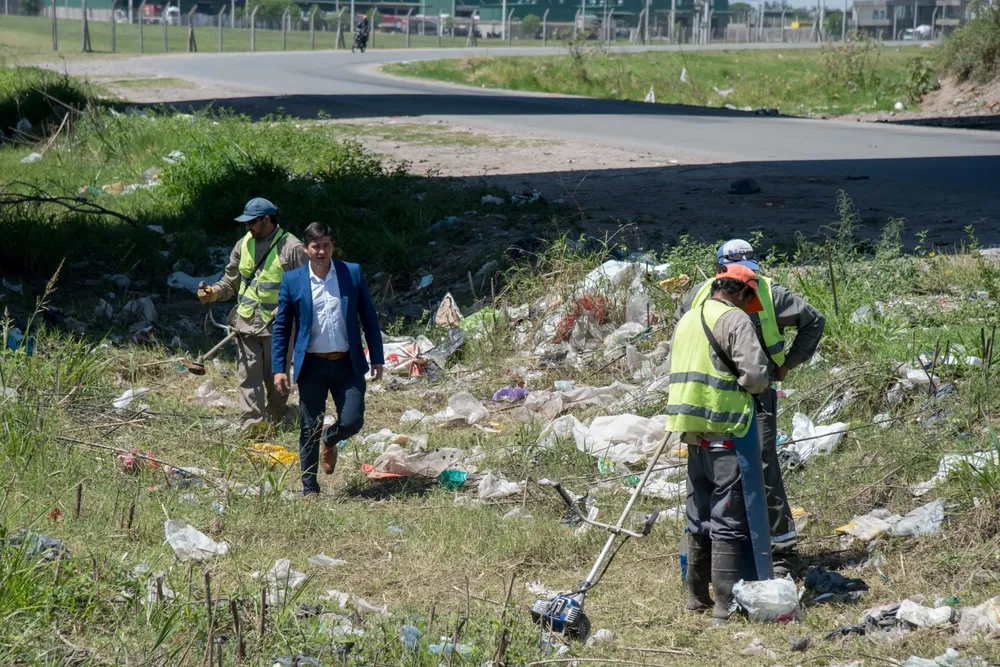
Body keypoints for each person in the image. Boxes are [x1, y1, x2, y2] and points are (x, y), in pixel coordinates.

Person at [674, 239, 825, 578]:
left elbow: (814, 321)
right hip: (709, 399)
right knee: (711, 476)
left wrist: (787, 364)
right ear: (719, 272)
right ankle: (719, 562)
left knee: (762, 467)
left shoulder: (771, 294)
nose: (746, 287)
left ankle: (781, 555)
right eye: (737, 276)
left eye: (749, 276)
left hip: (753, 399)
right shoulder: (696, 297)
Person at [667, 264, 771, 624]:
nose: (747, 306)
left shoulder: (688, 319)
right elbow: (755, 376)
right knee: (727, 517)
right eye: (748, 299)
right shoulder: (734, 320)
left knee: (698, 516)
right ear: (740, 292)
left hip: (692, 432)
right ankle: (724, 606)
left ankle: (695, 597)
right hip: (725, 428)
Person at [272, 222, 384, 498]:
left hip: (348, 362)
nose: (321, 252)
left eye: (326, 245)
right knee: (308, 426)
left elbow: (369, 317)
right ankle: (310, 487)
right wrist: (279, 368)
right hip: (312, 365)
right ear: (305, 249)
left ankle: (330, 438)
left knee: (353, 421)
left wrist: (377, 357)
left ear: (333, 246)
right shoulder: (293, 280)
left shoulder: (351, 273)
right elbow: (282, 328)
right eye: (316, 246)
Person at [197, 197, 305, 431]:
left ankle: (278, 417)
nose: (247, 227)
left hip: (278, 326)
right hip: (245, 322)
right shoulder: (243, 244)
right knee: (248, 375)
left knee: (275, 376)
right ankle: (252, 424)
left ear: (267, 220)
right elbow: (231, 280)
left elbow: (306, 287)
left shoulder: (292, 247)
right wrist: (213, 293)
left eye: (251, 222)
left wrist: (287, 306)